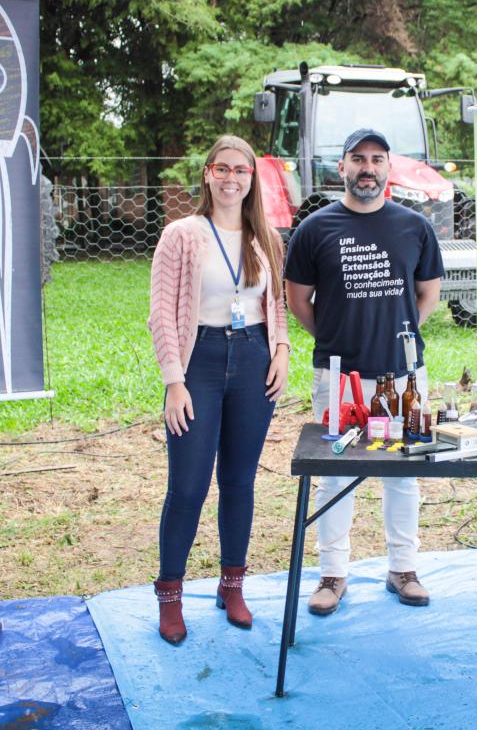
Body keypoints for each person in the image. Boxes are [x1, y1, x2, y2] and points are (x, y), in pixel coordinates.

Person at [284, 128, 444, 615]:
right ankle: (332, 575)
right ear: (343, 168)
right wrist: (338, 335)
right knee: (335, 475)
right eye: (358, 159)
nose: (367, 168)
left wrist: (397, 334)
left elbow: (428, 293)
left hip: (403, 375)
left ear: (388, 168)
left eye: (376, 159)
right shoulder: (315, 229)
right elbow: (298, 300)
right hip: (338, 378)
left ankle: (404, 569)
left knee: (403, 474)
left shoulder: (414, 227)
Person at [147, 135, 290, 645]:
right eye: (222, 168)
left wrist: (281, 350)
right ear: (208, 174)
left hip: (253, 361)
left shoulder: (266, 238)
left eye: (241, 170)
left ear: (253, 179)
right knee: (188, 486)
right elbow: (162, 312)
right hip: (199, 363)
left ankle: (232, 587)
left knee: (238, 482)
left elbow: (276, 305)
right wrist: (174, 381)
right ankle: (170, 596)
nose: (231, 178)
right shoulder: (182, 235)